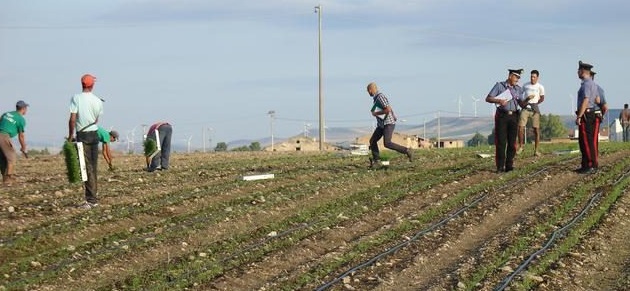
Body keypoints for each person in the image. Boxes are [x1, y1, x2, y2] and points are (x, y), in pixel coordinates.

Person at [67, 74, 104, 209]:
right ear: (92, 85)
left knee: (85, 168)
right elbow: (96, 120)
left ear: (82, 84)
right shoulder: (98, 101)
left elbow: (72, 119)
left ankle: (91, 200)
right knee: (92, 167)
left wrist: (71, 135)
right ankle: (93, 198)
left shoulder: (76, 98)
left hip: (82, 135)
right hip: (94, 134)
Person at [366, 82, 413, 168]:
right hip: (381, 124)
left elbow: (387, 109)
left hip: (388, 123)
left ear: (370, 90)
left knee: (387, 143)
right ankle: (376, 161)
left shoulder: (380, 96)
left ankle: (407, 150)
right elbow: (388, 107)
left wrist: (376, 113)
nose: (368, 93)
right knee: (372, 141)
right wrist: (393, 114)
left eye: (368, 91)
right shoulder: (376, 98)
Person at [485, 69, 524, 173]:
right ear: (510, 76)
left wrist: (528, 100)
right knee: (501, 142)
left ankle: (509, 165)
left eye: (519, 78)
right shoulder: (499, 86)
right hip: (502, 116)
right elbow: (488, 98)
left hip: (514, 116)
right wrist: (499, 101)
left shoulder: (518, 89)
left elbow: (521, 104)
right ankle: (500, 166)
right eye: (516, 77)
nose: (517, 80)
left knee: (512, 143)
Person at [575, 61, 600, 174]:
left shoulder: (586, 84)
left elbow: (586, 100)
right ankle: (586, 164)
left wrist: (579, 116)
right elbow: (597, 100)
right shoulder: (592, 84)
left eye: (578, 70)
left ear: (583, 71)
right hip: (590, 113)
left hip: (586, 114)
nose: (577, 72)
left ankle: (590, 165)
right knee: (585, 141)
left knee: (586, 140)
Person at [517, 70, 545, 156]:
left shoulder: (540, 87)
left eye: (534, 77)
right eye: (531, 77)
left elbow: (542, 98)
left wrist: (535, 103)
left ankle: (536, 150)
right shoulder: (525, 85)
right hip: (525, 108)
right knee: (520, 128)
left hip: (534, 109)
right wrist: (524, 102)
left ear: (537, 78)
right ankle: (521, 147)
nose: (532, 78)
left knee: (536, 130)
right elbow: (519, 95)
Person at [0, 100, 29, 184]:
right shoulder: (20, 119)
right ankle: (9, 177)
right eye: (26, 108)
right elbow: (21, 136)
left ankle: (5, 178)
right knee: (11, 157)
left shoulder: (6, 114)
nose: (26, 110)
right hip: (4, 136)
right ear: (23, 108)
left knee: (2, 158)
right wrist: (23, 147)